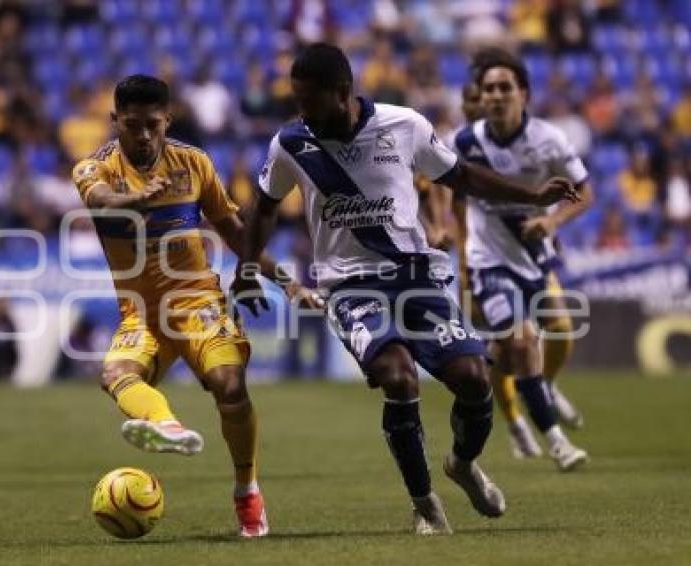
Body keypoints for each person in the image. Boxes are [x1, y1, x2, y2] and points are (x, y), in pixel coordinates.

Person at [232, 43, 580, 535]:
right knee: (398, 378)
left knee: (474, 380)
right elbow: (264, 209)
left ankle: (461, 464)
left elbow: (462, 176)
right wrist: (247, 271)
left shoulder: (404, 125)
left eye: (312, 102)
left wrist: (533, 197)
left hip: (418, 277)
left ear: (344, 93)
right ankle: (425, 504)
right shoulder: (291, 143)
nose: (303, 113)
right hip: (351, 286)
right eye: (298, 102)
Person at [71, 75, 317, 538]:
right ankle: (167, 425)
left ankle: (247, 491)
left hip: (199, 302)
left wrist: (287, 283)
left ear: (168, 119)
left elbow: (235, 231)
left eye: (152, 125)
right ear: (114, 122)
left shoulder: (195, 163)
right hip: (142, 314)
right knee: (114, 373)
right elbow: (100, 201)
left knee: (229, 386)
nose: (143, 136)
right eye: (132, 126)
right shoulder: (94, 168)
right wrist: (131, 199)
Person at [451, 48, 592, 469]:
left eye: (504, 88)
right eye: (488, 88)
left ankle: (540, 392)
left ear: (523, 94)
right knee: (521, 339)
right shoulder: (467, 141)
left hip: (533, 254)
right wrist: (456, 247)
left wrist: (552, 224)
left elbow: (584, 193)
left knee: (549, 331)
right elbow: (452, 192)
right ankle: (555, 439)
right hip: (487, 258)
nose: (495, 95)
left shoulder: (550, 140)